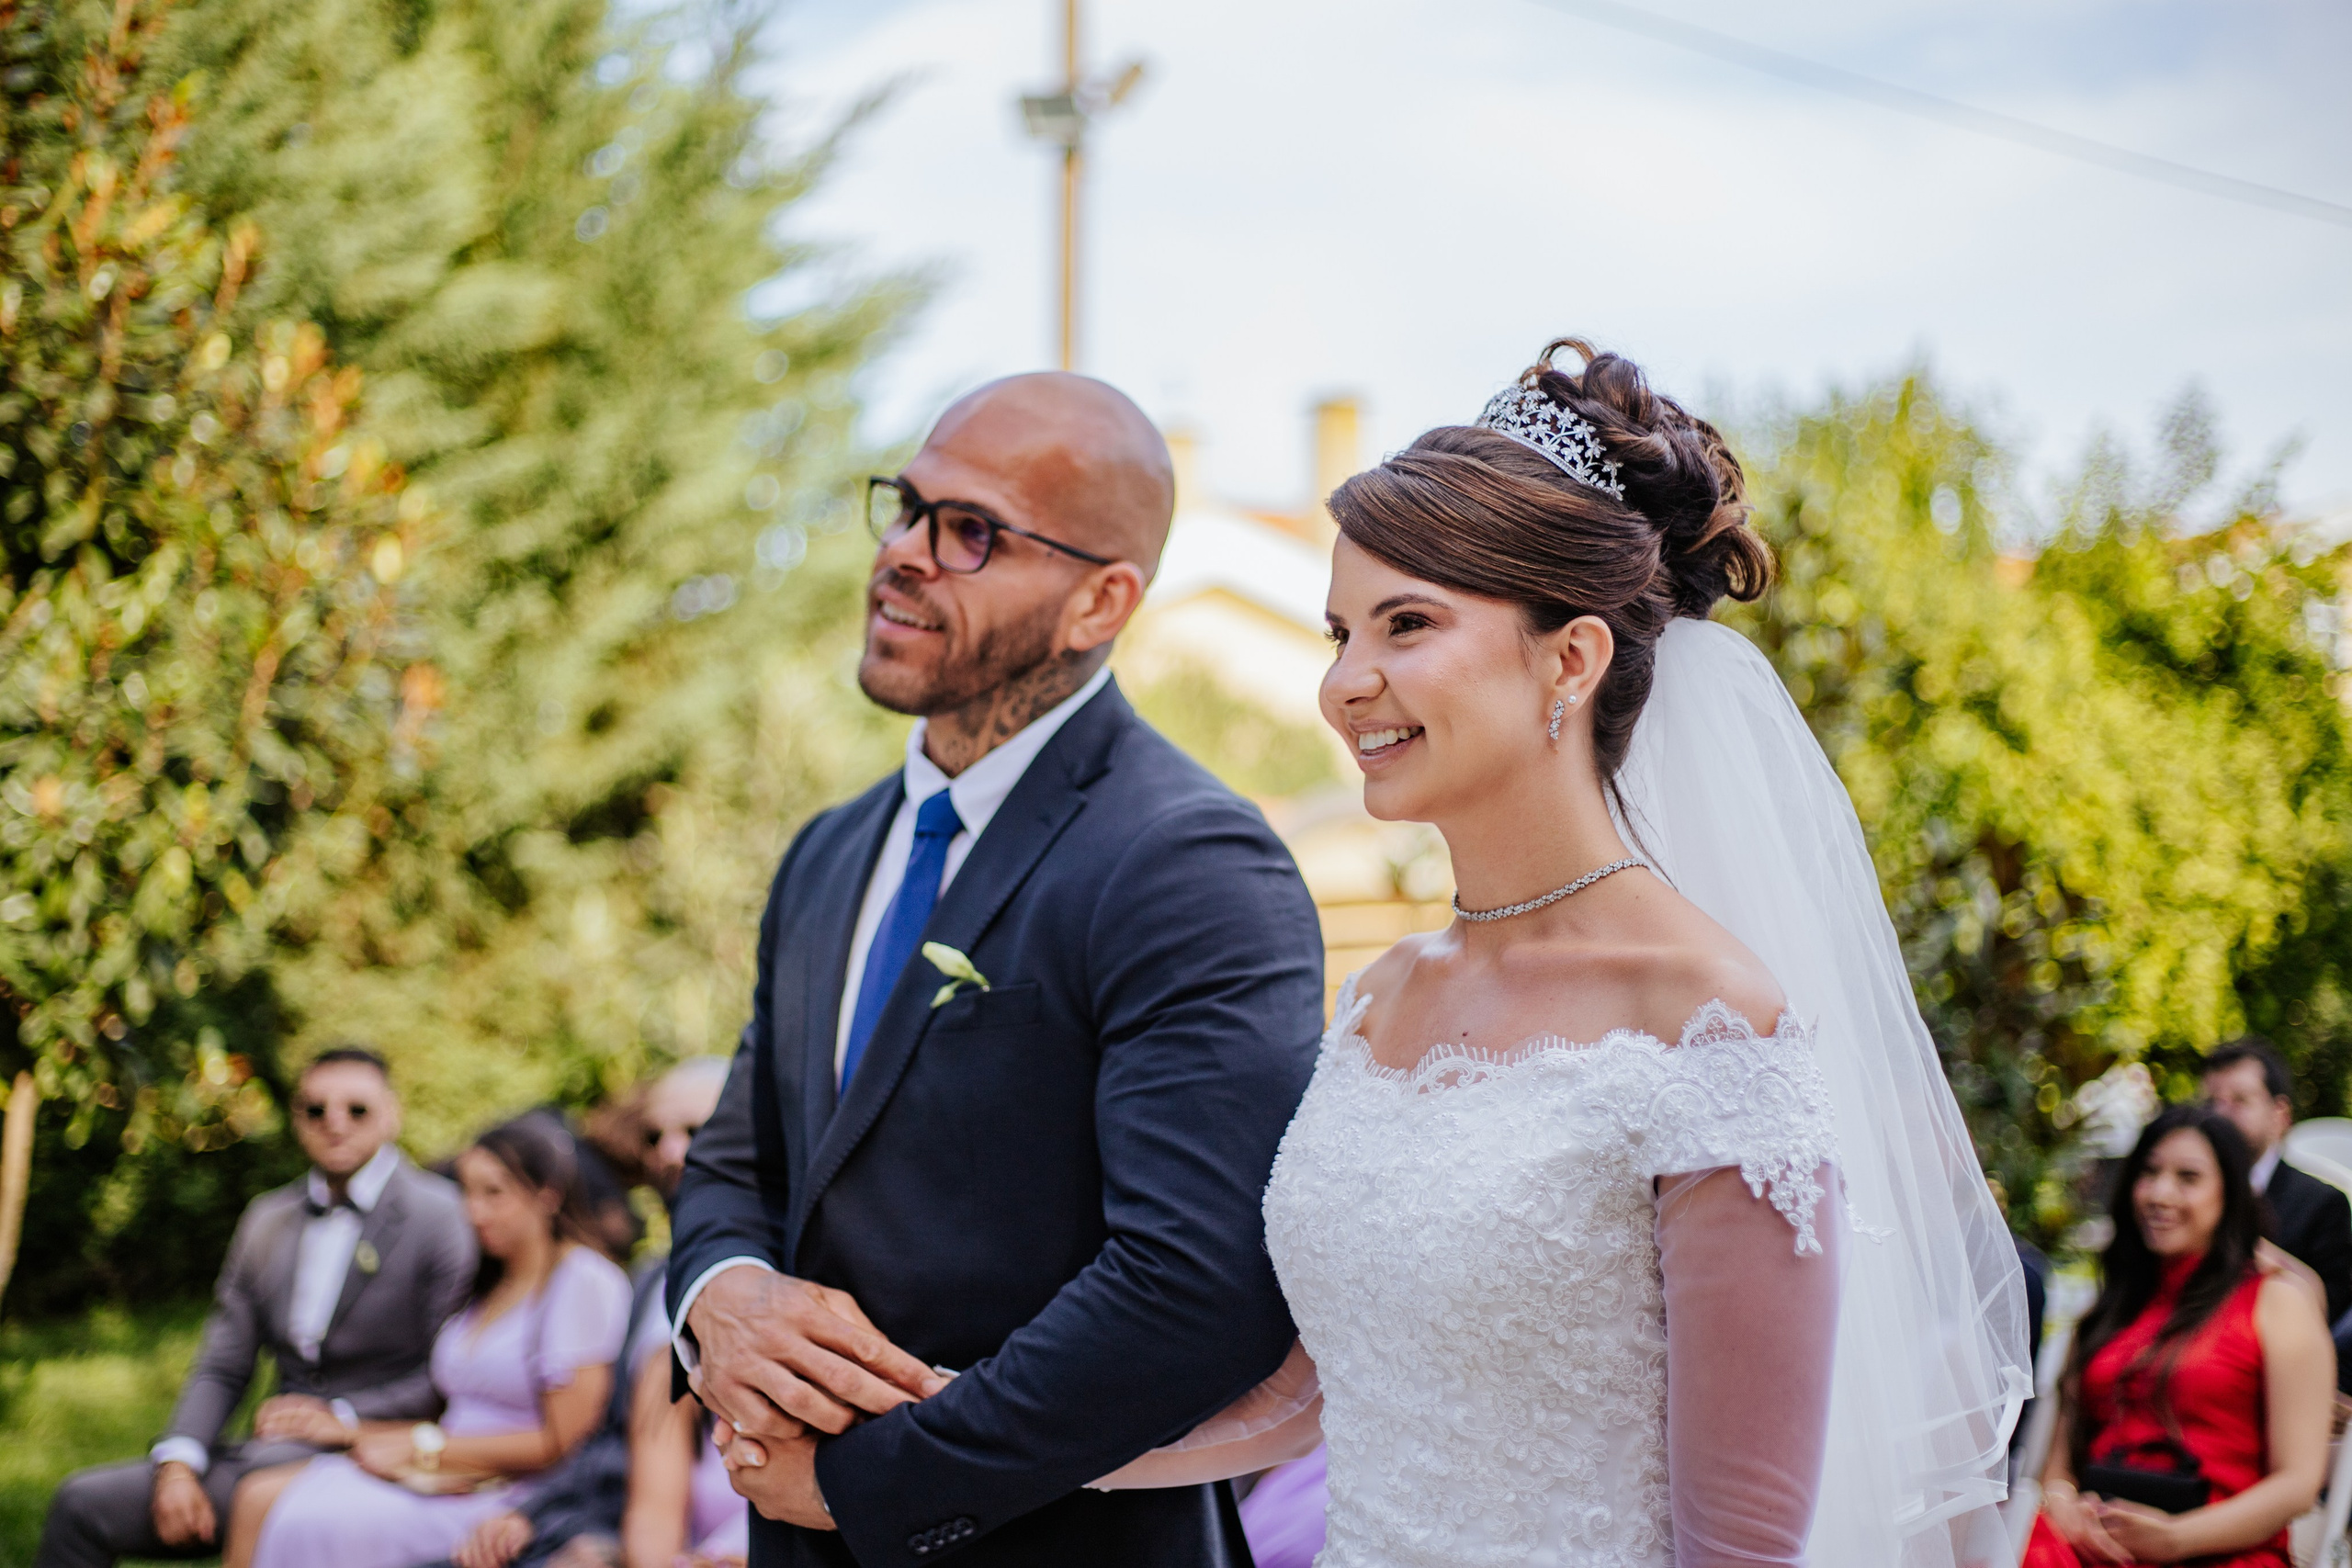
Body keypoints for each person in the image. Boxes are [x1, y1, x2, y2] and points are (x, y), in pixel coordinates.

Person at [1097, 341, 2030, 1567]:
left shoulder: (1711, 1028)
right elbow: (1321, 1388)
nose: (1345, 684)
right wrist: (964, 1446)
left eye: (1406, 623)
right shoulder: (1383, 997)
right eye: (1339, 632)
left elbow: (1740, 1547)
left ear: (1572, 658)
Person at [669, 371, 1325, 1565]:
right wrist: (720, 1297)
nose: (905, 553)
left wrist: (872, 1481)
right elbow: (736, 1160)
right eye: (907, 505)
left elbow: (1198, 1284)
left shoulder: (1189, 859)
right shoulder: (827, 852)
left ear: (1100, 599)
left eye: (970, 531)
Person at [37, 1046, 475, 1568]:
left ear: (392, 1112)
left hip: (377, 1451)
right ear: (296, 1118)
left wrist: (343, 1417)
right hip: (268, 1451)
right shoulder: (268, 1218)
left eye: (356, 1109)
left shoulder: (442, 1216)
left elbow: (451, 1373)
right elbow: (224, 1363)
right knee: (81, 1505)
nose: (335, 1123)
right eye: (316, 1109)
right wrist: (178, 1462)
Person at [231, 1118, 634, 1568]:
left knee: (321, 1517)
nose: (475, 1211)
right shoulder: (487, 1284)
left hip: (508, 1494)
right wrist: (347, 1428)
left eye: (494, 1193)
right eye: (467, 1192)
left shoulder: (582, 1282)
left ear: (548, 1195)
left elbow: (565, 1444)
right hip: (437, 1472)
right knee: (255, 1496)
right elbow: (455, 1418)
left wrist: (424, 1450)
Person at [441, 1057, 742, 1568]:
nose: (668, 1152)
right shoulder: (651, 1282)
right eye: (653, 1138)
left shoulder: (804, 1271)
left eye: (695, 1129)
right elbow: (606, 1447)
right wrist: (532, 1517)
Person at [2025, 1104, 2334, 1567]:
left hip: (2221, 1550)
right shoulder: (2111, 1306)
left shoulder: (2278, 1302)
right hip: (2091, 1542)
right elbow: (2061, 1462)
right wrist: (2064, 1504)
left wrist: (2175, 1539)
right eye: (2149, 1173)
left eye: (2188, 1178)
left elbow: (2298, 1483)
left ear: (2230, 1194)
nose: (2159, 1193)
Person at [2202, 1036, 2352, 1330]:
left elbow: (2331, 1315)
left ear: (2279, 1115)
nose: (2219, 1115)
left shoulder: (2323, 1204)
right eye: (2211, 1102)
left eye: (2239, 1101)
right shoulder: (2187, 1199)